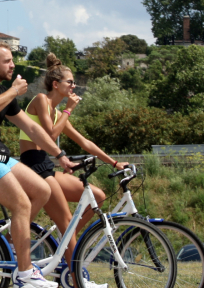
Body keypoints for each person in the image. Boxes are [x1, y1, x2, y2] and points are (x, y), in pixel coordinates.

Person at [0, 42, 75, 288]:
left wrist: (60, 154)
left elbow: (32, 128)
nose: (13, 65)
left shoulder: (3, 93)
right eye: (7, 61)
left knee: (43, 190)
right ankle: (25, 273)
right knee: (21, 204)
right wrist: (13, 91)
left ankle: (13, 237)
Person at [19, 53, 127, 286]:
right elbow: (49, 135)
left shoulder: (58, 113)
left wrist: (115, 163)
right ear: (56, 84)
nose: (74, 86)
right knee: (67, 222)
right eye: (70, 82)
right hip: (32, 165)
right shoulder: (40, 100)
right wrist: (68, 110)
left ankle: (67, 238)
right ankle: (77, 280)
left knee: (97, 196)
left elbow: (85, 142)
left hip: (45, 165)